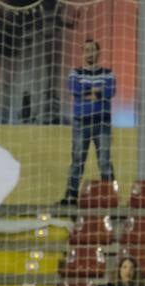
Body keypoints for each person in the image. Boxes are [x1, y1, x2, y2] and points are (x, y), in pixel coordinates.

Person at [59, 39, 114, 207]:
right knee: (77, 160)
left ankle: (111, 196)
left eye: (93, 50)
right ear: (83, 52)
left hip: (102, 124)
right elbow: (75, 90)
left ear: (98, 53)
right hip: (81, 124)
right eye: (87, 50)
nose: (90, 53)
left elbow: (110, 91)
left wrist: (87, 93)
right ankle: (71, 196)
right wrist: (97, 91)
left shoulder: (108, 73)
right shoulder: (75, 73)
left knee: (104, 162)